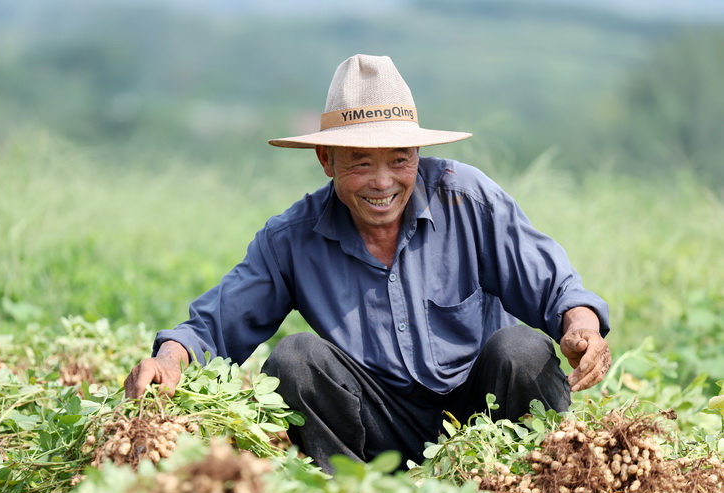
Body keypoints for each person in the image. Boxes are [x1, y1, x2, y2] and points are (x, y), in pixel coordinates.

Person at [125, 54, 612, 472]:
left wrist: (582, 325)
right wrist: (169, 361)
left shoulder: (468, 200)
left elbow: (557, 287)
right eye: (360, 162)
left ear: (417, 154)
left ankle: (532, 481)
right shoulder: (291, 238)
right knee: (294, 359)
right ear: (326, 159)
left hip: (482, 407)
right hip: (377, 424)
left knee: (522, 349)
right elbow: (216, 324)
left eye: (399, 160)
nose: (383, 182)